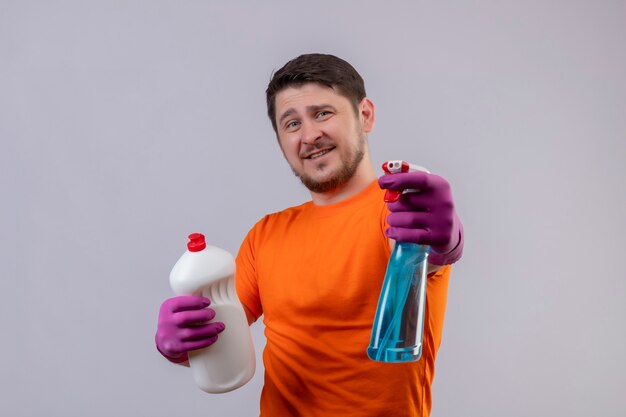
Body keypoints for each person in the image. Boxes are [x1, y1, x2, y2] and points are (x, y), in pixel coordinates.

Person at [155, 53, 464, 416]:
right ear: (280, 141)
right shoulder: (265, 235)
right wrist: (182, 343)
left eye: (323, 113)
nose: (309, 135)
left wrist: (447, 242)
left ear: (365, 115)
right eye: (291, 123)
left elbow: (428, 248)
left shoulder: (398, 210)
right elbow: (221, 337)